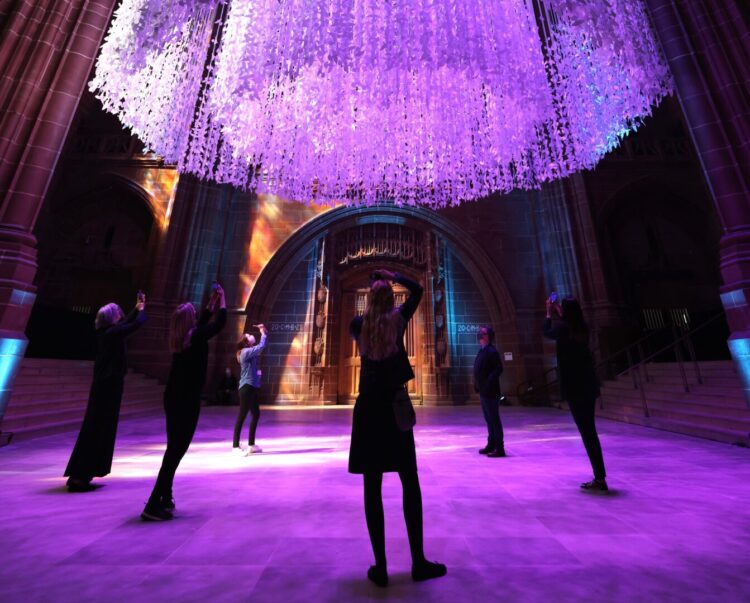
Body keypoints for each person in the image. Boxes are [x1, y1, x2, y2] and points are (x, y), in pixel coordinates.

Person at [349, 269, 447, 587]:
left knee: (372, 487)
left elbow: (371, 320)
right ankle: (418, 561)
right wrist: (394, 275)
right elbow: (417, 290)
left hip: (368, 411)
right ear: (391, 301)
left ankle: (381, 567)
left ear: (368, 300)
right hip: (394, 408)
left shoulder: (357, 325)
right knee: (409, 482)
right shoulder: (398, 321)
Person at [141, 283, 227, 520]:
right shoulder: (196, 337)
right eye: (194, 315)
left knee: (173, 449)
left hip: (173, 397)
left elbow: (201, 325)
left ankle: (166, 497)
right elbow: (219, 324)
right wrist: (222, 300)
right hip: (186, 400)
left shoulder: (183, 339)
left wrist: (210, 304)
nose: (197, 316)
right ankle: (152, 504)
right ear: (190, 321)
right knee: (175, 452)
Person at [64, 292, 147, 492]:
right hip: (107, 387)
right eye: (118, 313)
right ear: (112, 317)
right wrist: (142, 311)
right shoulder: (111, 334)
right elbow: (136, 324)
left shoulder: (108, 332)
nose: (120, 315)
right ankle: (79, 477)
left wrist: (136, 307)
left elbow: (125, 323)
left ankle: (83, 474)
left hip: (107, 385)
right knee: (97, 428)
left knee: (99, 428)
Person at [543, 296, 608, 491]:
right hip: (588, 386)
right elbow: (569, 324)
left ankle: (599, 478)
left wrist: (549, 313)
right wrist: (561, 312)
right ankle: (600, 476)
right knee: (590, 432)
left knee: (586, 432)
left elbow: (547, 332)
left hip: (574, 388)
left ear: (565, 311)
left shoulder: (563, 329)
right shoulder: (582, 328)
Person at [233, 324, 268, 455]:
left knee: (256, 414)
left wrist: (264, 332)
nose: (251, 335)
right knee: (242, 416)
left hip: (251, 387)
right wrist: (262, 333)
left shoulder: (249, 351)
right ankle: (235, 446)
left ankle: (251, 444)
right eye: (248, 336)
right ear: (246, 342)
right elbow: (261, 346)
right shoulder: (245, 352)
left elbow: (260, 347)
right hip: (246, 388)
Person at [474, 325, 505, 457]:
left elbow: (499, 368)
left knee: (494, 419)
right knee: (489, 419)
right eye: (480, 332)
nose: (480, 334)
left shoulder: (492, 351)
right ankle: (491, 444)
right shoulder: (482, 350)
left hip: (491, 391)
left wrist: (488, 381)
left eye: (483, 333)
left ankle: (499, 448)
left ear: (488, 336)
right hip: (483, 391)